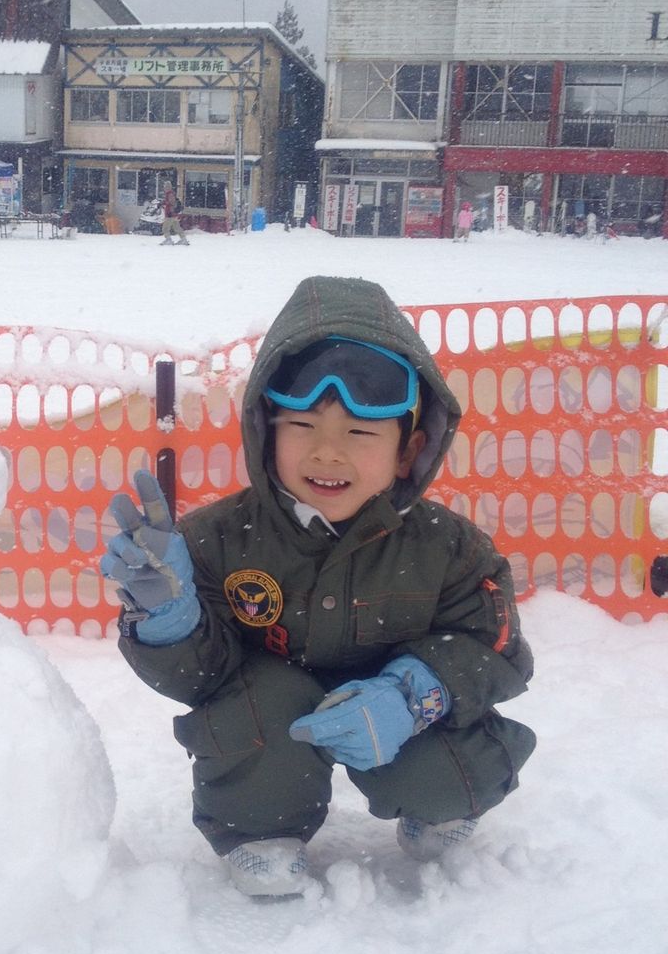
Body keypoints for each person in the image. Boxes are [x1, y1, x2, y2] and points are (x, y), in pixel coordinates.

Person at [99, 275, 535, 898]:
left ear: (408, 450)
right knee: (257, 706)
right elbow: (201, 679)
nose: (327, 453)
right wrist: (167, 619)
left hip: (403, 718)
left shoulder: (451, 548)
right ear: (266, 431)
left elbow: (494, 648)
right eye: (302, 426)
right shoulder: (213, 540)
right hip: (273, 717)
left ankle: (437, 801)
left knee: (448, 775)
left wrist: (412, 696)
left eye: (359, 433)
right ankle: (259, 826)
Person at [160, 181, 188, 247]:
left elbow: (172, 203)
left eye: (165, 187)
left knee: (165, 228)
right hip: (174, 214)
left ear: (168, 187)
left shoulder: (169, 194)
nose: (164, 188)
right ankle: (183, 239)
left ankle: (168, 240)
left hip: (170, 214)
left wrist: (164, 203)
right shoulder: (171, 193)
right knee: (177, 227)